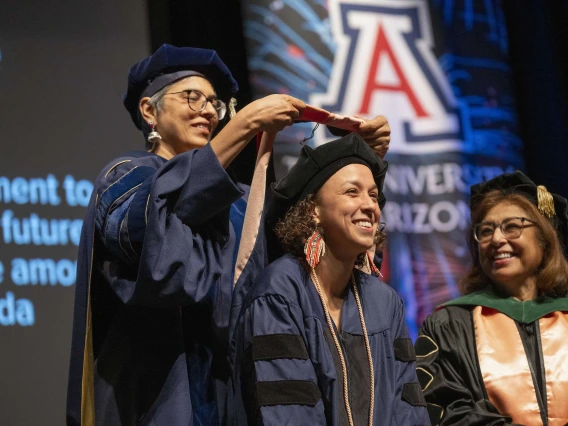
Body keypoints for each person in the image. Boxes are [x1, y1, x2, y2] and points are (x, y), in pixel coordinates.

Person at [66, 44, 392, 426]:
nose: (207, 110)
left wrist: (357, 161)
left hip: (233, 396)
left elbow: (312, 262)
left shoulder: (239, 207)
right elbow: (148, 238)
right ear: (149, 110)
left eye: (215, 104)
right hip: (155, 396)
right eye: (193, 97)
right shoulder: (124, 178)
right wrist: (244, 126)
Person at [229, 133, 429, 426]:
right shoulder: (280, 292)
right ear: (314, 211)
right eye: (352, 192)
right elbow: (287, 412)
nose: (370, 205)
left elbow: (409, 410)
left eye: (373, 195)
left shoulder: (384, 302)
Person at [415, 171, 568, 425]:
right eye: (485, 231)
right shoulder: (449, 326)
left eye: (512, 227)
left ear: (544, 238)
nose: (497, 239)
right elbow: (444, 407)